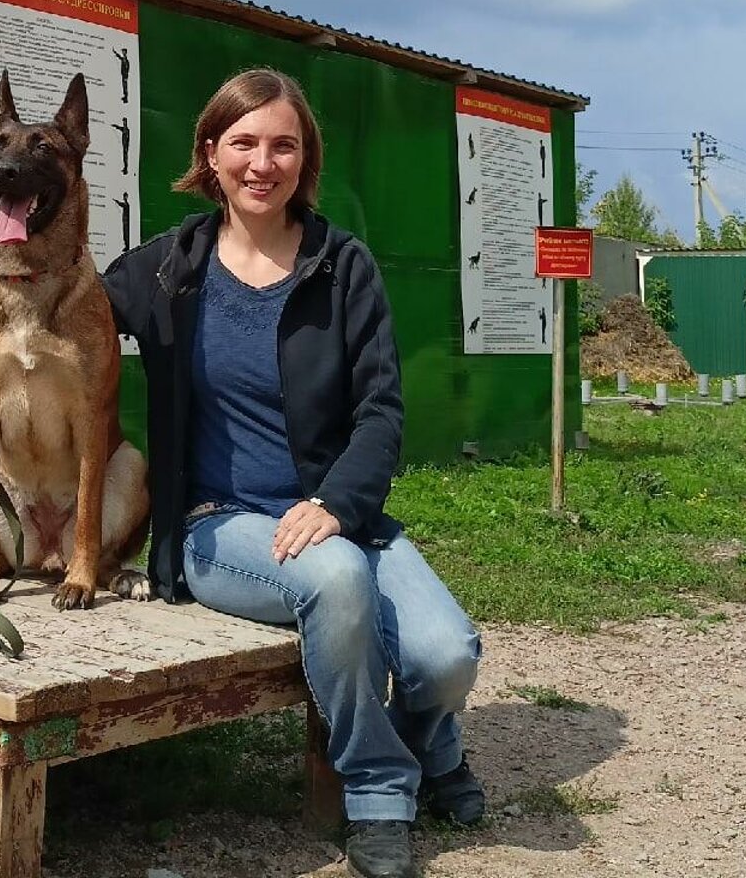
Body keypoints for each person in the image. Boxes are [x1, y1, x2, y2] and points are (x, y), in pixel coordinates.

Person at [102, 68, 485, 878]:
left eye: (283, 145)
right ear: (210, 153)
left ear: (305, 158)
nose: (261, 163)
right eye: (242, 142)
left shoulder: (342, 266)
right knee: (336, 580)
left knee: (447, 655)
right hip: (217, 526)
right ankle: (379, 793)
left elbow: (381, 411)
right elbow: (71, 313)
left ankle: (431, 742)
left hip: (338, 517)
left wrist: (339, 503)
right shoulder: (168, 266)